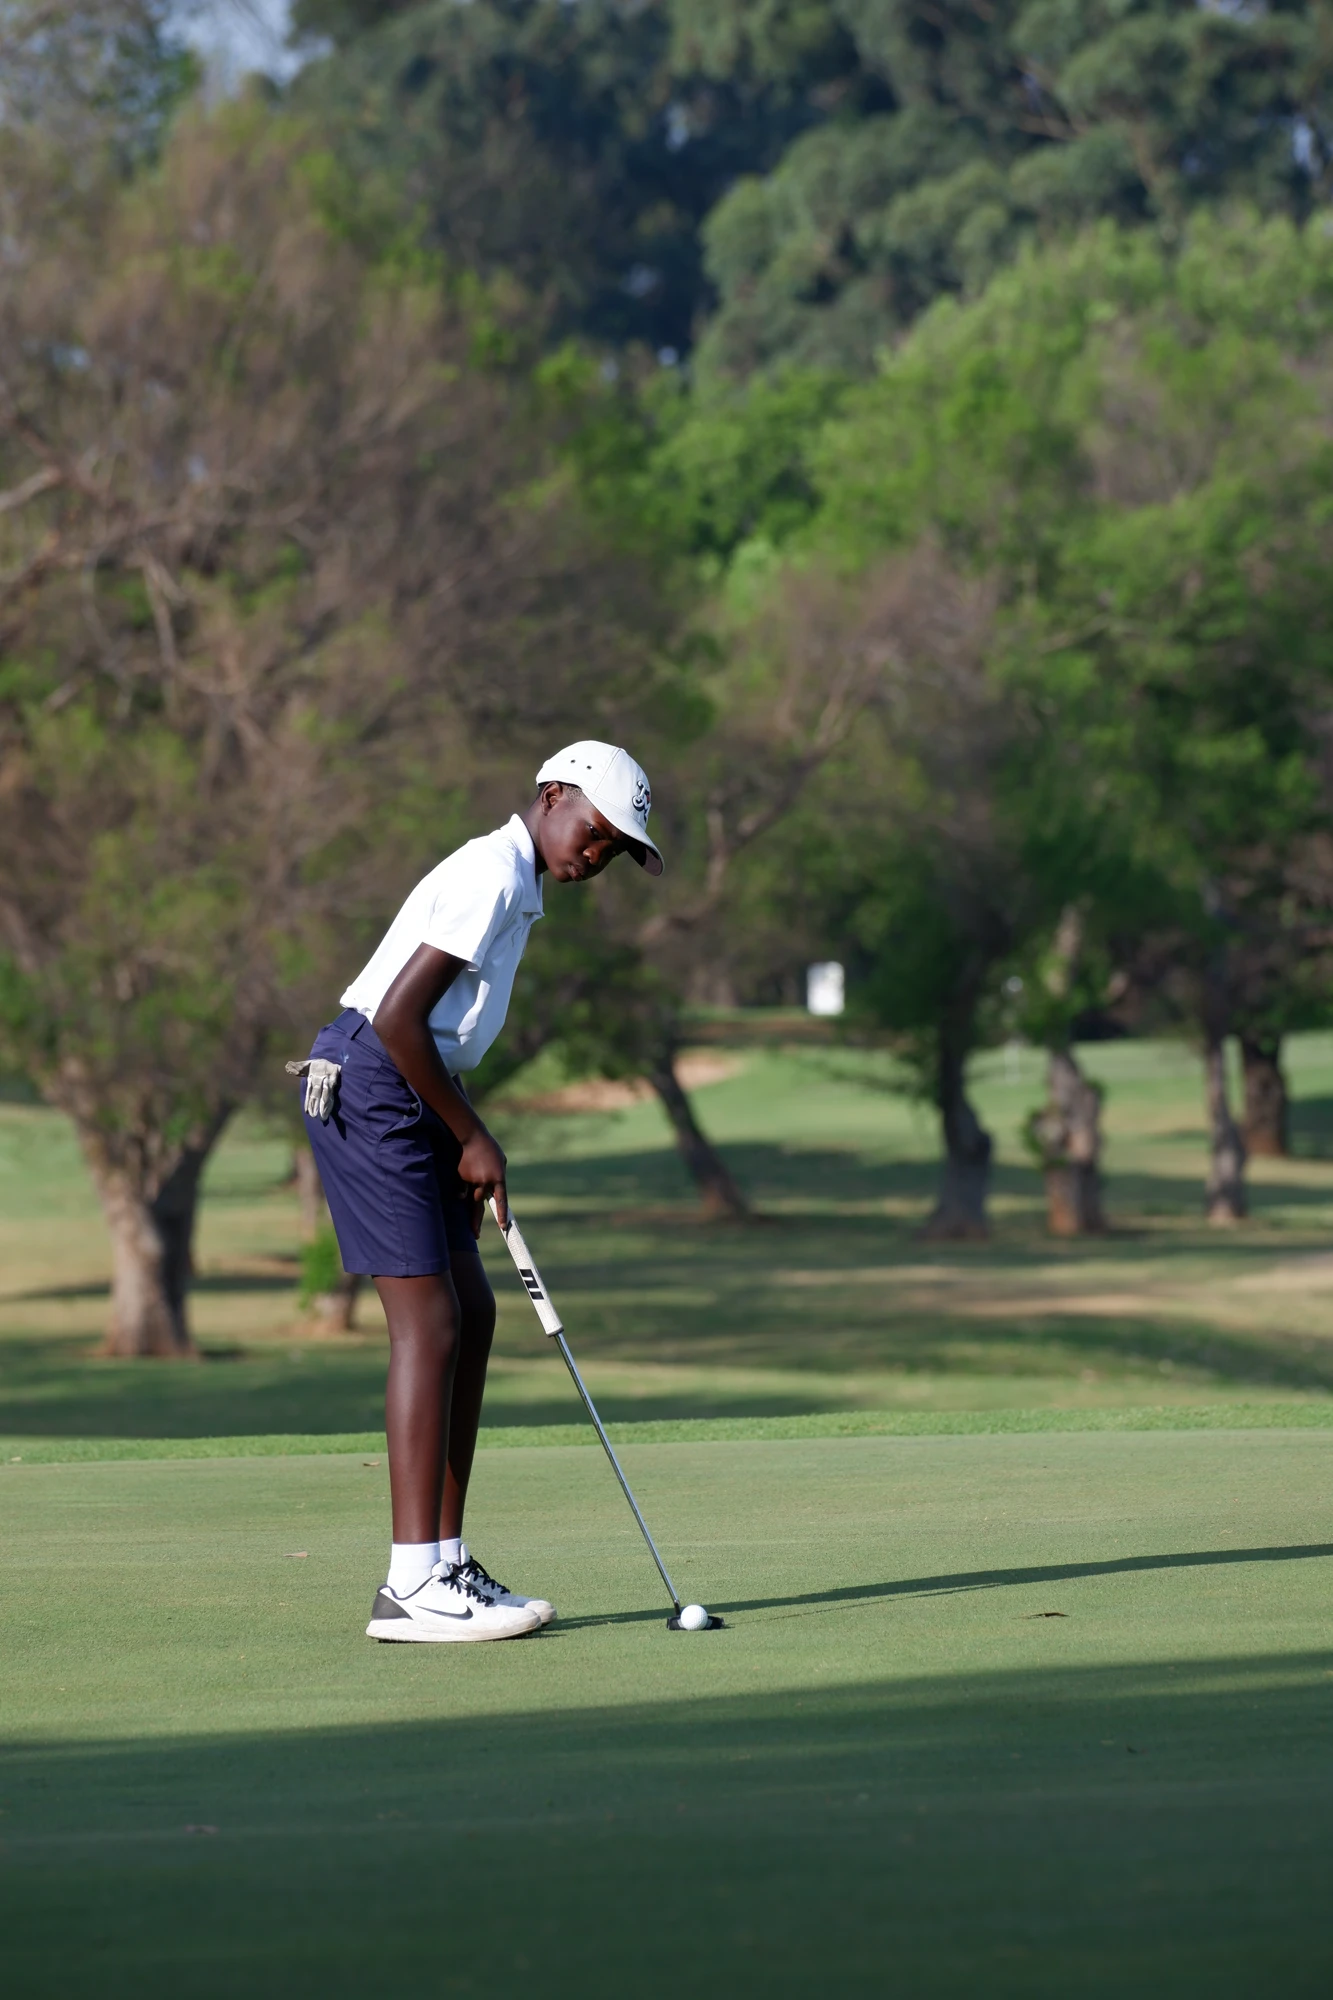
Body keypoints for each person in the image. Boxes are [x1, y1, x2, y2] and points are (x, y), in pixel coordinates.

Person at [295, 743, 663, 1642]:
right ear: (552, 797)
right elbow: (394, 1018)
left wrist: (458, 1132)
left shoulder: (520, 885)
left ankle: (445, 1560)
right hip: (372, 1084)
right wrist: (470, 1135)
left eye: (616, 850)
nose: (598, 856)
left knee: (473, 1311)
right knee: (431, 1323)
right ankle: (410, 1583)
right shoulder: (491, 872)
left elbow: (436, 1035)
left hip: (409, 1090)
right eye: (598, 833)